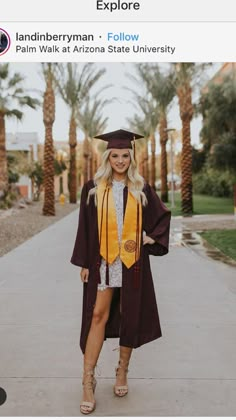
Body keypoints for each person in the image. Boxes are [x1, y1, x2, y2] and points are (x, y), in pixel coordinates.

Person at [70, 129, 171, 415]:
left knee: (130, 315)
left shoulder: (140, 187)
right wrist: (85, 264)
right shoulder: (92, 187)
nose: (120, 160)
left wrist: (149, 238)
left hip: (132, 263)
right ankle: (87, 381)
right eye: (115, 155)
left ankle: (122, 371)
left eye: (125, 155)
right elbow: (86, 228)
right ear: (107, 157)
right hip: (102, 263)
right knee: (97, 316)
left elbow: (161, 217)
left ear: (131, 157)